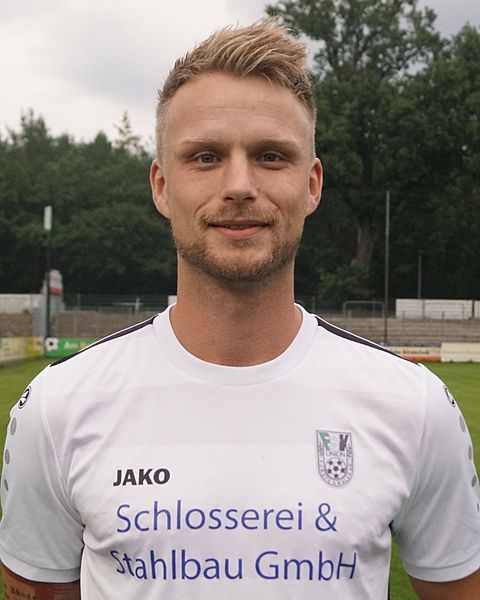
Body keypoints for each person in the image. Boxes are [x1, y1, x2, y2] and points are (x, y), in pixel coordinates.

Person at [0, 20, 479, 600]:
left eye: (271, 156)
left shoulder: (416, 406)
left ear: (312, 184)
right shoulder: (57, 407)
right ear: (161, 186)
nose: (238, 185)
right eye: (205, 157)